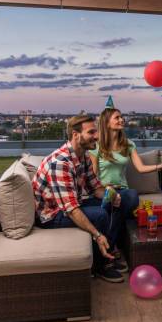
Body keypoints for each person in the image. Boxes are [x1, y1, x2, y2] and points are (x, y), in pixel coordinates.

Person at [33, 114, 126, 283]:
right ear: (76, 135)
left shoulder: (83, 156)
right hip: (51, 215)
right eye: (91, 132)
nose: (97, 136)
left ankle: (108, 253)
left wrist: (110, 196)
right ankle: (100, 266)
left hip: (70, 204)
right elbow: (71, 209)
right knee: (100, 215)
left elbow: (95, 188)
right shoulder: (60, 162)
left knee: (114, 205)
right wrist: (97, 235)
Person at [89, 103, 162, 225]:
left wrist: (160, 166)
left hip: (122, 190)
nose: (121, 120)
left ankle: (109, 239)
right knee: (113, 206)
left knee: (132, 196)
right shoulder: (96, 146)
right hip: (104, 190)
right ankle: (116, 239)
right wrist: (102, 190)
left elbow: (141, 168)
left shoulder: (128, 144)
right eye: (117, 117)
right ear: (107, 123)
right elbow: (93, 173)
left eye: (121, 117)